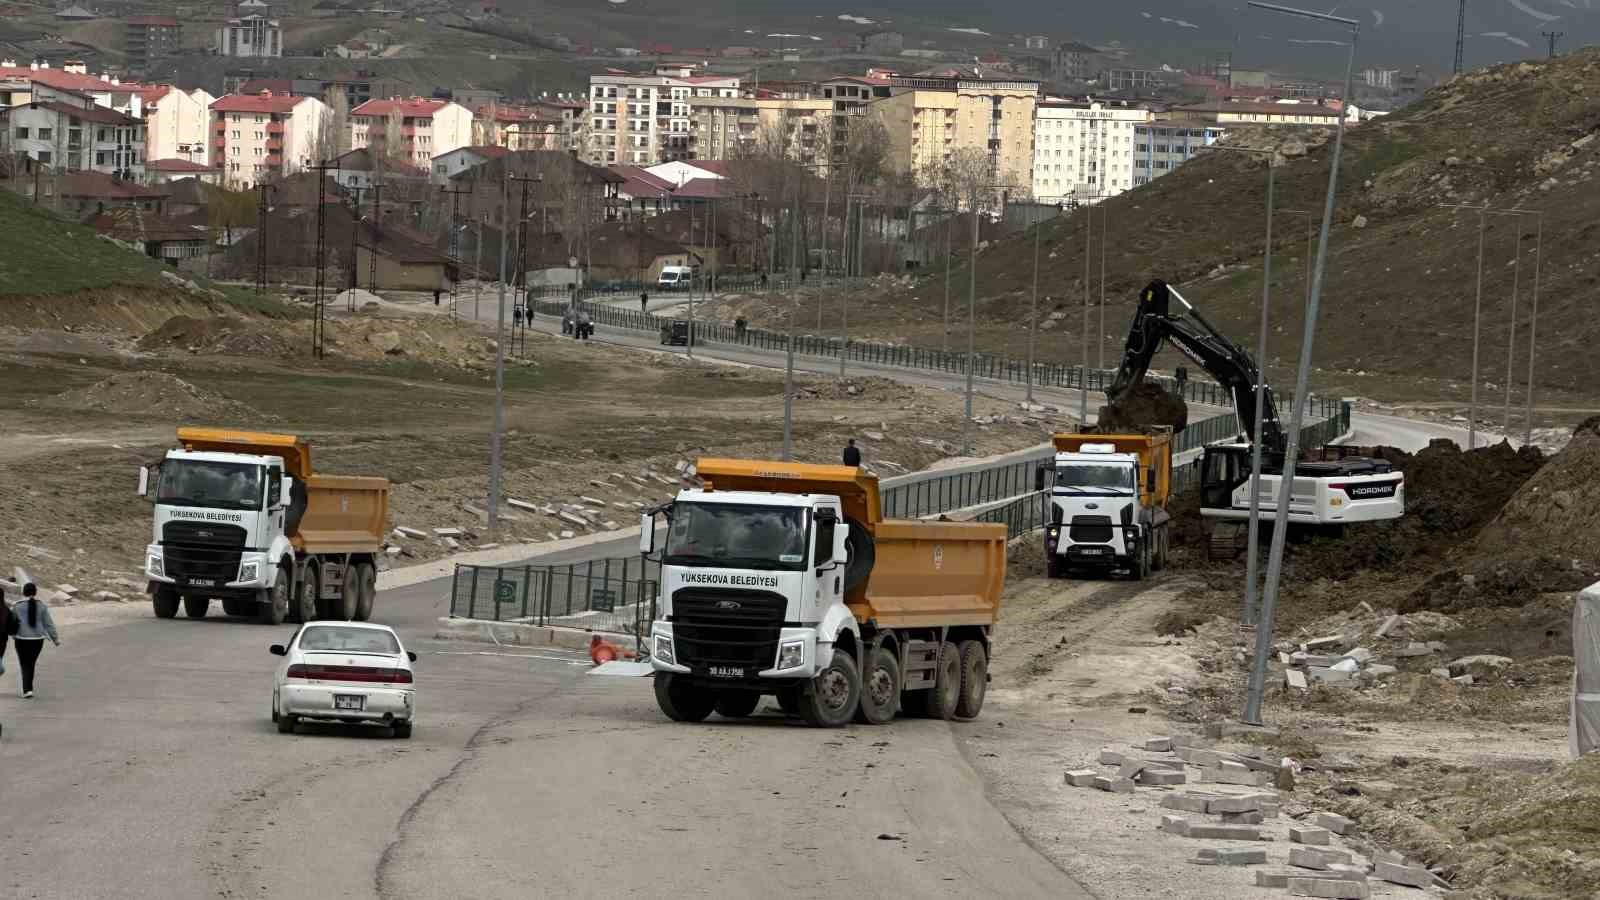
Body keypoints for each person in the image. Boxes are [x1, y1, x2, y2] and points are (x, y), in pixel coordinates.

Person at [11, 583, 59, 699]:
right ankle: (28, 689)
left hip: (22, 639)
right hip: (37, 640)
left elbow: (12, 622)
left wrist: (12, 634)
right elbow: (48, 624)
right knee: (31, 663)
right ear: (35, 592)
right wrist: (55, 638)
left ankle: (27, 689)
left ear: (24, 592)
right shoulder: (41, 606)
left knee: (24, 664)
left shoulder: (17, 606)